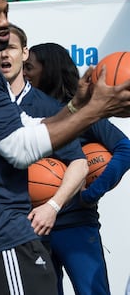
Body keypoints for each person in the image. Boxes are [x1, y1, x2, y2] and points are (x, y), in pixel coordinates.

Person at [0, 0, 130, 294]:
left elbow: (26, 125)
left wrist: (75, 108)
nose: (2, 22)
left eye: (4, 12)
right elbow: (19, 149)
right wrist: (96, 110)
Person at [23, 42, 130, 295]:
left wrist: (90, 194)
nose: (24, 72)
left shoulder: (82, 111)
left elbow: (125, 149)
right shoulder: (23, 112)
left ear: (48, 70)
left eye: (30, 67)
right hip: (34, 227)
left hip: (76, 225)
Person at [0, 23, 88, 237]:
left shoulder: (50, 107)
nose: (5, 54)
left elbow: (79, 163)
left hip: (49, 223)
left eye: (12, 48)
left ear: (25, 53)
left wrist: (52, 206)